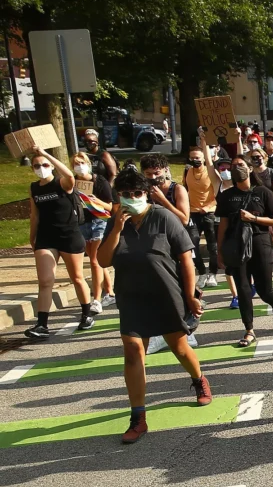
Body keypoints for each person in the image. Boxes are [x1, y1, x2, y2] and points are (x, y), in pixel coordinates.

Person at [97, 167, 212, 444]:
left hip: (166, 293)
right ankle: (138, 417)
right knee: (134, 350)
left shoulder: (163, 217)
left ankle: (198, 379)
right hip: (132, 296)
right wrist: (117, 229)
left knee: (180, 347)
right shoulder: (116, 222)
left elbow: (186, 259)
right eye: (125, 194)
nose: (131, 198)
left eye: (137, 193)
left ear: (145, 194)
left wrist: (191, 296)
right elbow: (102, 260)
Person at [216, 155, 273, 347]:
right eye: (233, 166)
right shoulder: (226, 195)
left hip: (260, 241)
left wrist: (253, 219)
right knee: (243, 289)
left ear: (249, 169)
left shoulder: (263, 192)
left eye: (240, 165)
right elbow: (223, 224)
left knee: (265, 289)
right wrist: (219, 250)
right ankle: (249, 329)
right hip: (235, 244)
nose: (236, 168)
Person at [24, 146, 94, 339]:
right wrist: (33, 237)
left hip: (69, 235)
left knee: (77, 277)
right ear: (32, 169)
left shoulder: (62, 183)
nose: (41, 168)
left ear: (51, 166)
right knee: (45, 281)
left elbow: (69, 175)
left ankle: (86, 313)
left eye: (45, 165)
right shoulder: (34, 188)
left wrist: (47, 154)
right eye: (37, 165)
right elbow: (34, 215)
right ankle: (42, 324)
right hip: (47, 237)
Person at [70, 150, 114, 314]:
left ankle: (96, 299)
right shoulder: (73, 183)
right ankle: (109, 292)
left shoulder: (99, 181)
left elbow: (111, 207)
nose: (79, 167)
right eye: (76, 164)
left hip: (99, 221)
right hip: (82, 223)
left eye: (82, 163)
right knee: (98, 261)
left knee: (95, 261)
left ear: (89, 164)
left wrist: (96, 201)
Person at [184, 136, 221, 289]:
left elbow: (219, 193)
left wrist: (209, 206)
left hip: (210, 213)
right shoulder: (188, 171)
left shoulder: (211, 172)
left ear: (204, 159)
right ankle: (202, 272)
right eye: (193, 158)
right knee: (192, 244)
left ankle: (213, 273)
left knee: (213, 246)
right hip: (193, 213)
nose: (195, 160)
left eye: (198, 158)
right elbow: (185, 190)